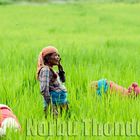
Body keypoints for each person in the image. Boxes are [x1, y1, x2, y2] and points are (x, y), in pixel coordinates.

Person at [37, 46, 69, 118]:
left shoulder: (51, 70)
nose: (58, 57)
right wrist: (51, 107)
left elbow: (63, 80)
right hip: (54, 105)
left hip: (62, 103)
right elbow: (44, 90)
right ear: (48, 58)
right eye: (55, 55)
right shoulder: (45, 70)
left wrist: (60, 66)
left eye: (58, 55)